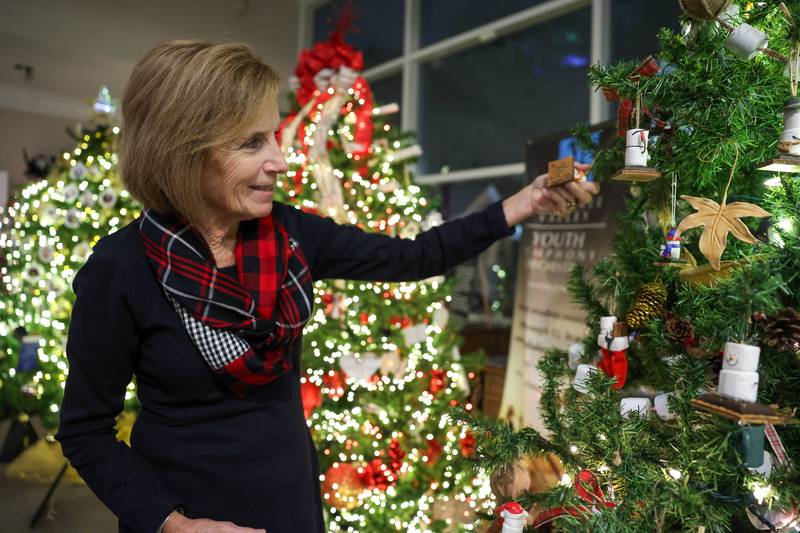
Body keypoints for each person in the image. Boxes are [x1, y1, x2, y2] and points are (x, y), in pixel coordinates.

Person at [55, 40, 599, 533]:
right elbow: (86, 433)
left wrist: (520, 205)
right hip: (182, 516)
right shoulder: (121, 268)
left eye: (274, 134)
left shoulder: (292, 235)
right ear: (183, 152)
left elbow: (413, 256)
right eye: (251, 142)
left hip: (290, 503)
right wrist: (173, 524)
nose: (280, 159)